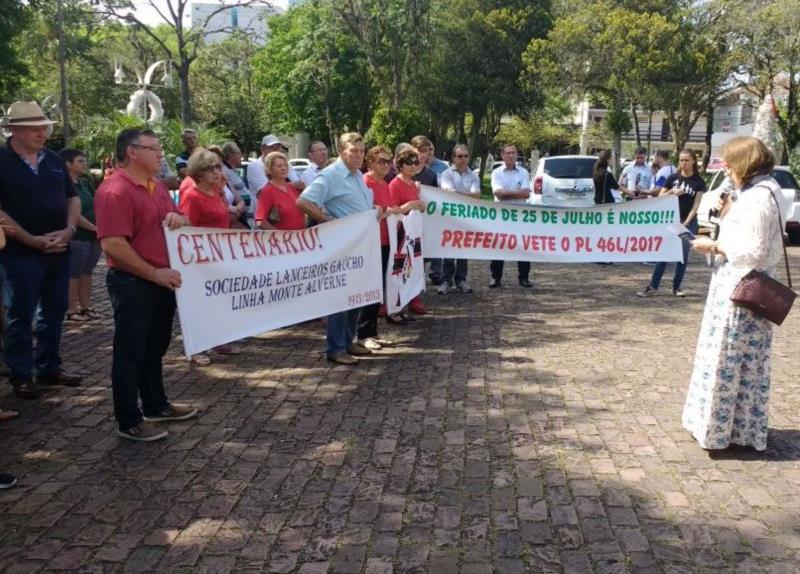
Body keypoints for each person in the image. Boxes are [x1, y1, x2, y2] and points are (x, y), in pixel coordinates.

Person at [682, 136, 785, 452]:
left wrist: (711, 245)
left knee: (728, 359)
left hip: (741, 292)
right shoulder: (759, 192)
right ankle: (732, 428)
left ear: (745, 163)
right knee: (742, 364)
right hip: (739, 286)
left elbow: (752, 251)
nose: (725, 168)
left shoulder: (758, 198)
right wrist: (723, 215)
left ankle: (722, 431)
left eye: (729, 162)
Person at [95, 127, 198, 442]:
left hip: (161, 280)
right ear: (132, 152)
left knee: (154, 347)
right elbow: (113, 245)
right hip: (134, 283)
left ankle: (156, 404)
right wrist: (153, 274)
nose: (160, 154)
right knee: (131, 352)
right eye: (153, 148)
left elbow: (180, 217)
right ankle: (129, 419)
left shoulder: (157, 187)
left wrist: (180, 219)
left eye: (159, 147)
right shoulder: (115, 191)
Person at [0, 101, 83, 399]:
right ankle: (21, 374)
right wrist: (28, 238)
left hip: (59, 248)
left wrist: (69, 230)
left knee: (55, 309)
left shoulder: (51, 159)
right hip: (19, 253)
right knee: (20, 314)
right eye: (34, 128)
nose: (42, 133)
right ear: (13, 130)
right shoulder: (1, 159)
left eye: (43, 127)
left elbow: (72, 199)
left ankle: (49, 367)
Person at [297, 132, 380, 365]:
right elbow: (303, 201)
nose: (359, 155)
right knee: (341, 298)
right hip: (343, 245)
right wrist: (328, 222)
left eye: (362, 151)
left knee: (356, 296)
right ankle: (335, 348)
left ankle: (347, 341)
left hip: (361, 245)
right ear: (342, 151)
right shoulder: (331, 175)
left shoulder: (357, 176)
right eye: (354, 151)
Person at [637, 149, 706, 297]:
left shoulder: (698, 182)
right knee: (665, 253)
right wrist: (672, 192)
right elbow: (661, 197)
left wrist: (687, 222)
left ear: (693, 161)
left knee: (682, 255)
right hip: (671, 221)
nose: (684, 163)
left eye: (687, 160)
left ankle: (677, 287)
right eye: (681, 160)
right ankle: (653, 286)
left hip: (688, 222)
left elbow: (696, 205)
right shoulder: (673, 178)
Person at [357, 145, 398, 350]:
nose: (386, 165)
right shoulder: (366, 182)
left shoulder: (384, 182)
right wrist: (383, 210)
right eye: (381, 161)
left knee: (378, 287)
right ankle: (363, 333)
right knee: (369, 287)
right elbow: (365, 210)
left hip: (386, 239)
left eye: (388, 161)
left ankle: (372, 331)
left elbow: (388, 207)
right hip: (371, 240)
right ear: (370, 162)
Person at [59, 148, 102, 322]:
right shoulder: (62, 185)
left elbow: (96, 202)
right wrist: (94, 228)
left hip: (93, 236)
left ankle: (86, 306)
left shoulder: (84, 182)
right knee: (74, 273)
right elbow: (73, 212)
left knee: (87, 272)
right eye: (80, 161)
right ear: (68, 164)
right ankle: (71, 309)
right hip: (78, 237)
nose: (84, 164)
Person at [388, 147, 427, 324]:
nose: (413, 166)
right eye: (409, 163)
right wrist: (411, 204)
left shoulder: (412, 183)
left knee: (409, 270)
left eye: (415, 163)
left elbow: (416, 207)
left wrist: (419, 205)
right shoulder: (395, 184)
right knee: (398, 272)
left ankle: (403, 306)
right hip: (400, 236)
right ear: (400, 165)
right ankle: (393, 310)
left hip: (412, 237)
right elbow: (395, 210)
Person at [437, 144, 480, 294]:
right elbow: (448, 194)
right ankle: (446, 281)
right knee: (449, 250)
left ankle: (461, 280)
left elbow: (477, 196)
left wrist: (457, 194)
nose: (463, 159)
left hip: (467, 219)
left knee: (464, 251)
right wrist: (465, 195)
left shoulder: (474, 175)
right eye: (459, 156)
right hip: (449, 219)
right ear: (454, 157)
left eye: (466, 156)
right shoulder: (446, 174)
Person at [489, 144, 533, 289]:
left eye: (513, 153)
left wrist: (507, 193)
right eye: (508, 153)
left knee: (523, 246)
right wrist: (517, 193)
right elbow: (498, 194)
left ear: (516, 155)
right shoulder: (496, 173)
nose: (511, 155)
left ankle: (524, 277)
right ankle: (495, 277)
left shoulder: (524, 172)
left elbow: (526, 193)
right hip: (502, 216)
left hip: (520, 216)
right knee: (499, 246)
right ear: (502, 155)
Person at [255, 152, 307, 231]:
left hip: (299, 237)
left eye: (285, 165)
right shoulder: (267, 191)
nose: (284, 168)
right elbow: (260, 221)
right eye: (279, 166)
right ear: (270, 170)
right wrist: (278, 235)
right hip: (282, 240)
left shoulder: (292, 188)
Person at [208, 145, 248, 229]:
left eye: (219, 164)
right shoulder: (207, 186)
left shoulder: (225, 181)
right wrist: (231, 212)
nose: (217, 169)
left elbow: (240, 201)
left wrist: (237, 211)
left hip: (236, 219)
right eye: (213, 165)